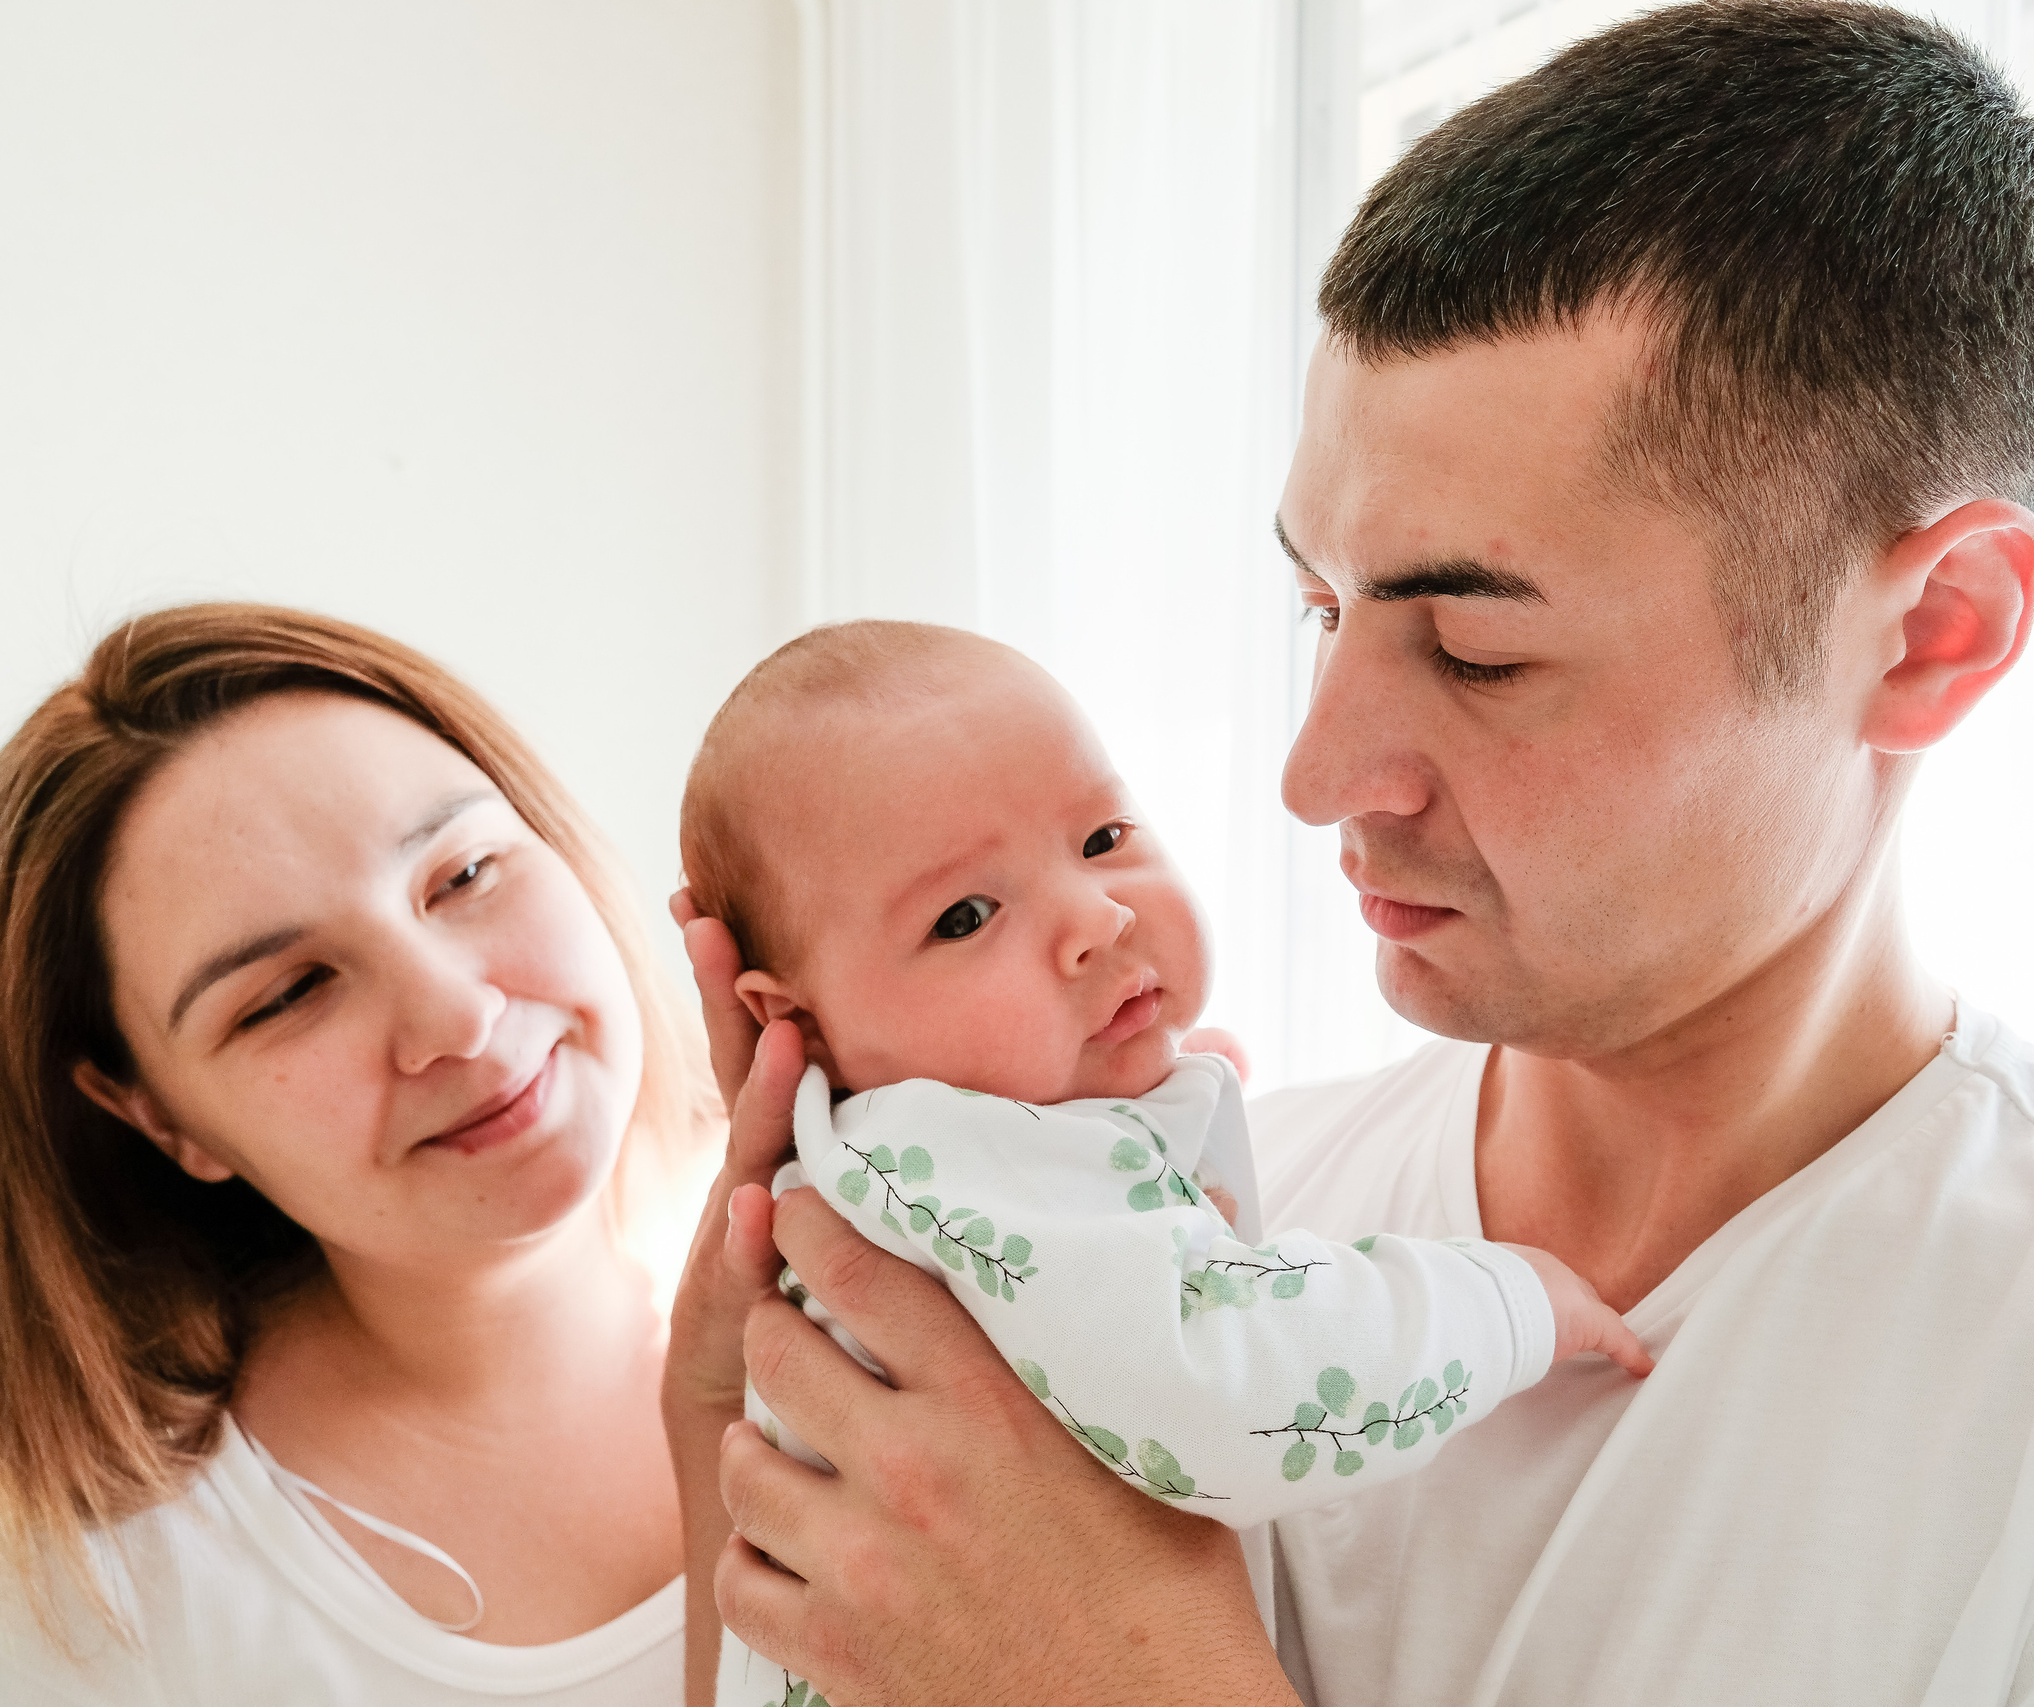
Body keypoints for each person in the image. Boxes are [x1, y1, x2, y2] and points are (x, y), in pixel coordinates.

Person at [662, 5, 2034, 1703]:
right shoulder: (1155, 1215)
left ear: (1935, 633)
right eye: (1318, 604)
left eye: (1474, 650)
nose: (1316, 776)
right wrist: (721, 1417)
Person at [673, 619, 1649, 1706]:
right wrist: (1505, 1302)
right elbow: (1224, 1386)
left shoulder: (941, 1161)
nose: (1096, 915)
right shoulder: (944, 1154)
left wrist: (1162, 1125)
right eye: (965, 916)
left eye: (1101, 837)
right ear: (794, 1019)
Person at [0, 604, 719, 1704]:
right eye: (290, 994)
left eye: (462, 876)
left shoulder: (931, 1277)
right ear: (156, 1117)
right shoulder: (103, 1593)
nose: (456, 1015)